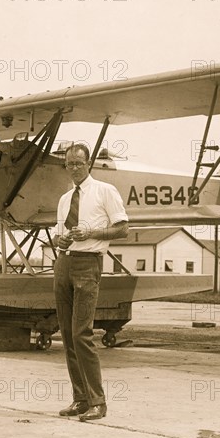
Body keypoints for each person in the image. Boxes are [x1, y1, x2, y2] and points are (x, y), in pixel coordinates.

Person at [53, 143, 129, 422]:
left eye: (78, 163)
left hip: (87, 265)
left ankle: (98, 402)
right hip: (63, 263)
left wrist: (92, 232)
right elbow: (57, 233)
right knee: (67, 334)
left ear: (89, 164)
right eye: (69, 164)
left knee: (81, 333)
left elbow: (123, 228)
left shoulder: (105, 191)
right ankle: (80, 399)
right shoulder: (64, 199)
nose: (73, 168)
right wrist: (59, 240)